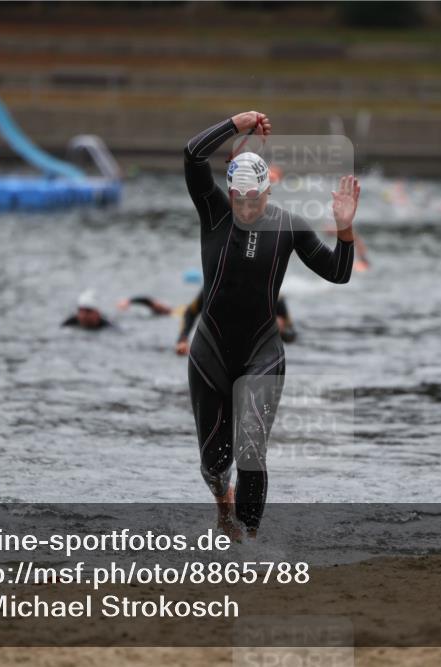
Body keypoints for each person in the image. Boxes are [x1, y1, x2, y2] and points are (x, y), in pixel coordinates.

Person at [184, 110, 359, 536]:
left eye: (254, 200)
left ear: (267, 190)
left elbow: (339, 272)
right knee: (213, 461)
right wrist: (235, 124)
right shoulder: (214, 213)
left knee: (250, 451)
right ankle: (221, 499)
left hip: (262, 350)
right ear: (229, 193)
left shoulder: (288, 226)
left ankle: (248, 545)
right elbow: (192, 155)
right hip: (210, 350)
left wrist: (345, 229)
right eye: (238, 200)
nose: (245, 209)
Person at [175, 289, 296, 356]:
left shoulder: (275, 297)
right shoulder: (214, 287)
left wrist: (280, 331)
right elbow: (190, 312)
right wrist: (183, 339)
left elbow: (292, 336)